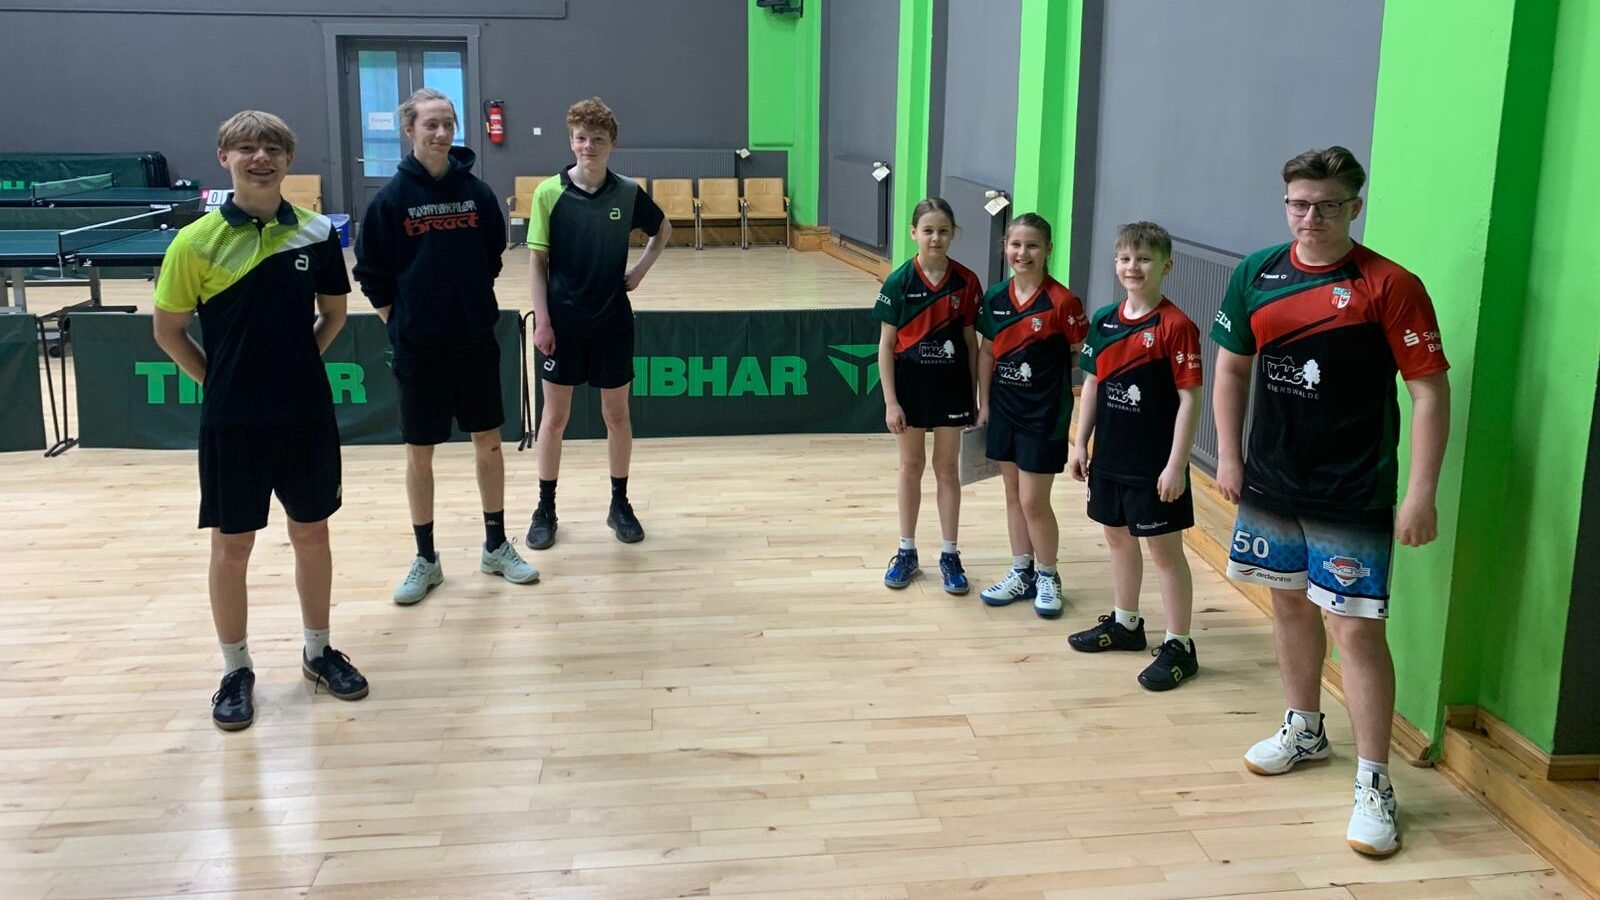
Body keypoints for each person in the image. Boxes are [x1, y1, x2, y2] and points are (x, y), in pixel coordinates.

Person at [1211, 146, 1450, 857]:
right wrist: (1229, 455)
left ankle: (1375, 783)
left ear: (1354, 207)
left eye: (1327, 205)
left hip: (1353, 490)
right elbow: (1231, 369)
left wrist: (1421, 493)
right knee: (1287, 605)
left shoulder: (1390, 285)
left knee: (1355, 631)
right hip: (1272, 481)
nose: (1310, 217)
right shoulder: (1256, 274)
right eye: (1299, 203)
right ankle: (1306, 729)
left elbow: (1429, 392)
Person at [152, 110, 369, 732]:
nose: (260, 157)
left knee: (312, 534)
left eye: (272, 148)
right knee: (232, 546)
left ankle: (318, 651)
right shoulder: (194, 242)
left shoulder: (317, 233)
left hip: (304, 414)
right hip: (234, 421)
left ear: (287, 159)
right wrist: (219, 382)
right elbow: (168, 331)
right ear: (224, 157)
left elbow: (333, 314)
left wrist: (299, 365)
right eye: (246, 148)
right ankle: (236, 669)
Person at [353, 88, 537, 606]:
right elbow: (371, 274)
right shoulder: (390, 201)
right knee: (420, 453)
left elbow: (492, 256)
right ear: (409, 130)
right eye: (430, 124)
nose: (440, 133)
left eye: (448, 124)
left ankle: (496, 546)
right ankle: (426, 559)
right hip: (419, 349)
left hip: (475, 341)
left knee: (489, 442)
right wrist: (401, 323)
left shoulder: (477, 194)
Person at [524, 97, 671, 549]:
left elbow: (662, 229)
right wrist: (543, 322)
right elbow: (537, 262)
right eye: (581, 138)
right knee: (555, 419)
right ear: (571, 141)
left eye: (598, 139)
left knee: (616, 416)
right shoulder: (549, 193)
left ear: (613, 144)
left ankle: (619, 504)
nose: (589, 146)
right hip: (562, 325)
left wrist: (639, 273)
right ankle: (545, 508)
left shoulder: (626, 192)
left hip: (612, 322)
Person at [1066, 221, 1203, 690]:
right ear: (1115, 264)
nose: (1133, 267)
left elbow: (1189, 398)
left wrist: (1176, 464)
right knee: (1117, 538)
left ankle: (1180, 644)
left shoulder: (1176, 326)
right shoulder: (1105, 320)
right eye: (1125, 258)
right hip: (1110, 458)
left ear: (1167, 266)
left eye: (1144, 259)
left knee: (1165, 552)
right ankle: (1126, 623)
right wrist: (1080, 443)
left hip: (1154, 465)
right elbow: (1092, 384)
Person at [975, 213, 1088, 619]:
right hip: (1004, 409)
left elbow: (1081, 353)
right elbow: (987, 351)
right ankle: (1021, 571)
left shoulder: (1063, 302)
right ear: (1005, 247)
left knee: (1033, 500)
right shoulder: (995, 297)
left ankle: (1048, 575)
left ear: (1048, 250)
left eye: (1032, 245)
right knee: (1012, 495)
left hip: (1044, 416)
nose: (1023, 253)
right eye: (1016, 244)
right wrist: (985, 403)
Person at [874, 198, 982, 593]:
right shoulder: (899, 281)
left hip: (952, 390)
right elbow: (886, 346)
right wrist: (891, 402)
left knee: (947, 469)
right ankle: (906, 551)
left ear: (953, 234)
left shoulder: (966, 281)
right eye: (928, 230)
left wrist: (975, 398)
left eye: (943, 231)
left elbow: (971, 343)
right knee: (911, 466)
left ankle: (950, 554)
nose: (936, 238)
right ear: (913, 233)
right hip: (910, 389)